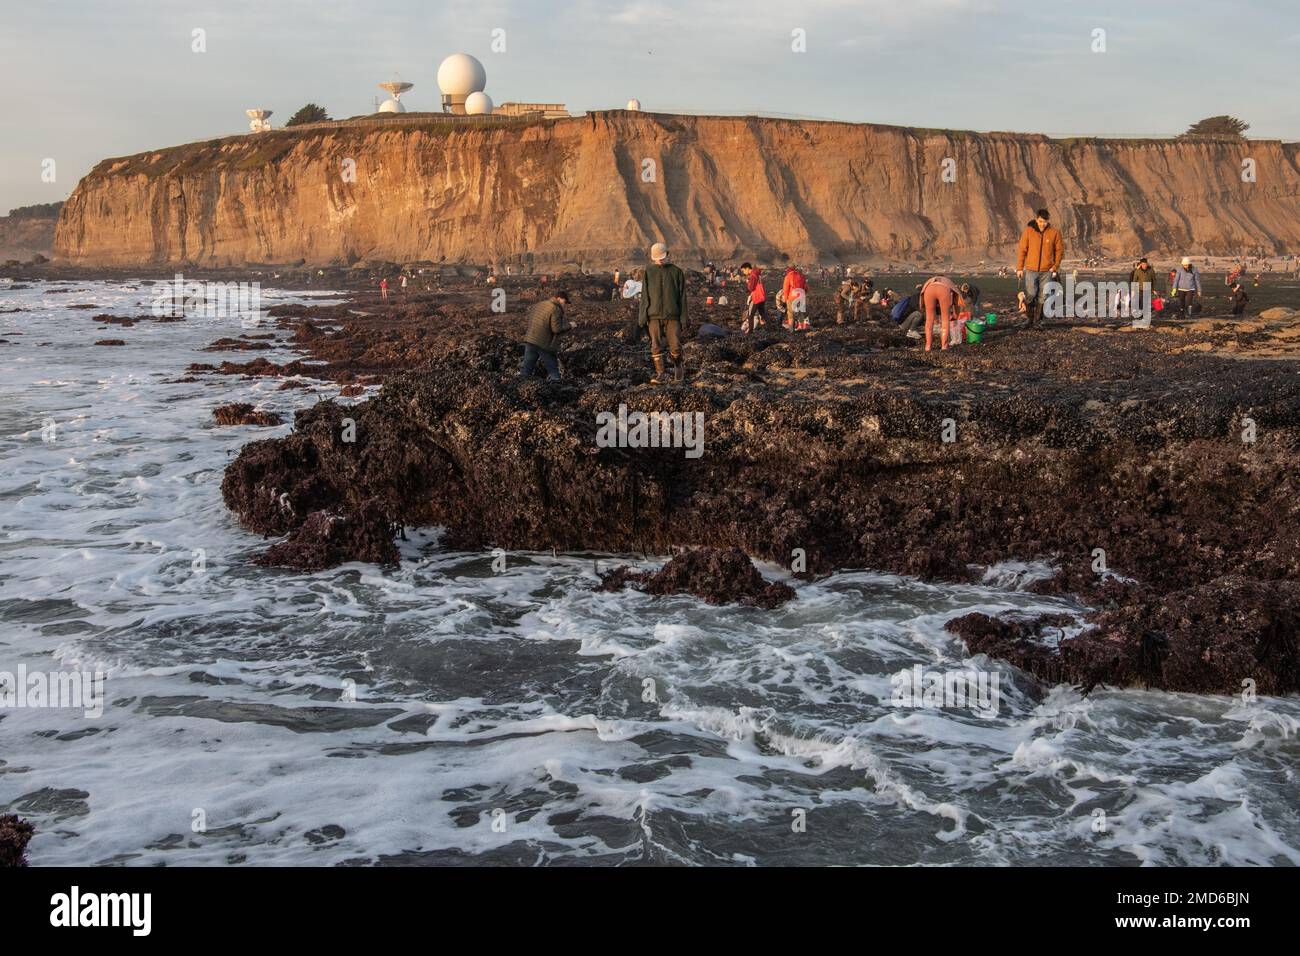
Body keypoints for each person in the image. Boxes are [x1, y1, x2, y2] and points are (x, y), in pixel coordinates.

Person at [639, 242, 688, 383]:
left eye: (662, 256)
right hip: (653, 315)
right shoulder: (648, 272)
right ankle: (660, 374)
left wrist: (684, 318)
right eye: (657, 257)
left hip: (673, 315)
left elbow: (682, 297)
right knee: (655, 345)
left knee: (675, 346)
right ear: (653, 258)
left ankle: (678, 366)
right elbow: (644, 296)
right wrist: (642, 317)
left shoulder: (677, 272)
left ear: (667, 255)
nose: (660, 259)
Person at [1016, 208, 1064, 329]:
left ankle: (1038, 321)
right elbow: (1022, 250)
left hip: (1047, 271)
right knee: (1031, 294)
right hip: (1031, 270)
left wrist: (1055, 267)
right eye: (1041, 221)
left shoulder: (1054, 233)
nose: (1043, 224)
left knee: (1043, 296)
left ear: (1048, 221)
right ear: (1037, 219)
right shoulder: (1028, 231)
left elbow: (1059, 251)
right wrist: (1020, 268)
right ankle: (1029, 318)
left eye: (1045, 221)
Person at [520, 290, 572, 380]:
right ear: (559, 298)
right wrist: (570, 325)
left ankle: (520, 386)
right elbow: (556, 329)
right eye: (565, 301)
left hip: (530, 340)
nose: (565, 304)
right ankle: (557, 389)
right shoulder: (556, 309)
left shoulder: (539, 304)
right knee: (553, 370)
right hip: (544, 344)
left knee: (527, 369)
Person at [921, 276, 964, 351]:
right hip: (944, 290)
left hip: (929, 289)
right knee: (945, 319)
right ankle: (944, 346)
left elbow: (923, 302)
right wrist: (956, 316)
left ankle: (928, 346)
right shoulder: (949, 283)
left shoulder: (931, 280)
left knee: (929, 320)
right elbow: (956, 303)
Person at [741, 262, 767, 333]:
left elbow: (751, 288)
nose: (743, 272)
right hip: (762, 297)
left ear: (747, 268)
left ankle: (750, 331)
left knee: (750, 315)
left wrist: (748, 282)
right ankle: (769, 328)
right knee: (762, 314)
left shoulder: (753, 275)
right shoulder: (757, 274)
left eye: (743, 270)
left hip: (756, 298)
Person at [782, 264, 809, 330]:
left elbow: (785, 289)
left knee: (791, 314)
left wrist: (785, 299)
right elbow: (806, 288)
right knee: (801, 313)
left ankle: (791, 329)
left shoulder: (788, 276)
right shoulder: (802, 276)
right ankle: (801, 327)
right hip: (801, 296)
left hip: (792, 297)